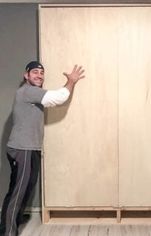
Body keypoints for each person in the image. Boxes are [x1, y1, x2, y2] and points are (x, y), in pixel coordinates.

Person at [0, 61, 85, 236]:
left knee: (27, 186)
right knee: (18, 190)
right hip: (22, 149)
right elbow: (58, 98)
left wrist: (68, 84)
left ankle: (14, 218)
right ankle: (8, 230)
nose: (39, 75)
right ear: (26, 75)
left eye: (41, 73)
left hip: (30, 148)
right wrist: (71, 81)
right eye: (35, 72)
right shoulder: (27, 91)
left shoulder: (34, 94)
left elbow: (54, 98)